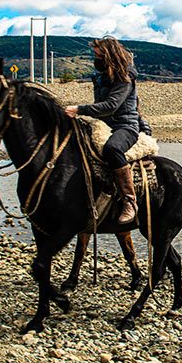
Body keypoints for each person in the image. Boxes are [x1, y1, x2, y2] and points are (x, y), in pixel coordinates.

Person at [65, 37, 141, 224]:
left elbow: (111, 106)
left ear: (109, 56)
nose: (95, 58)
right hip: (103, 125)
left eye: (98, 55)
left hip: (125, 126)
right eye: (95, 54)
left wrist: (79, 109)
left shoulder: (125, 76)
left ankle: (130, 200)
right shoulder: (100, 77)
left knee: (112, 149)